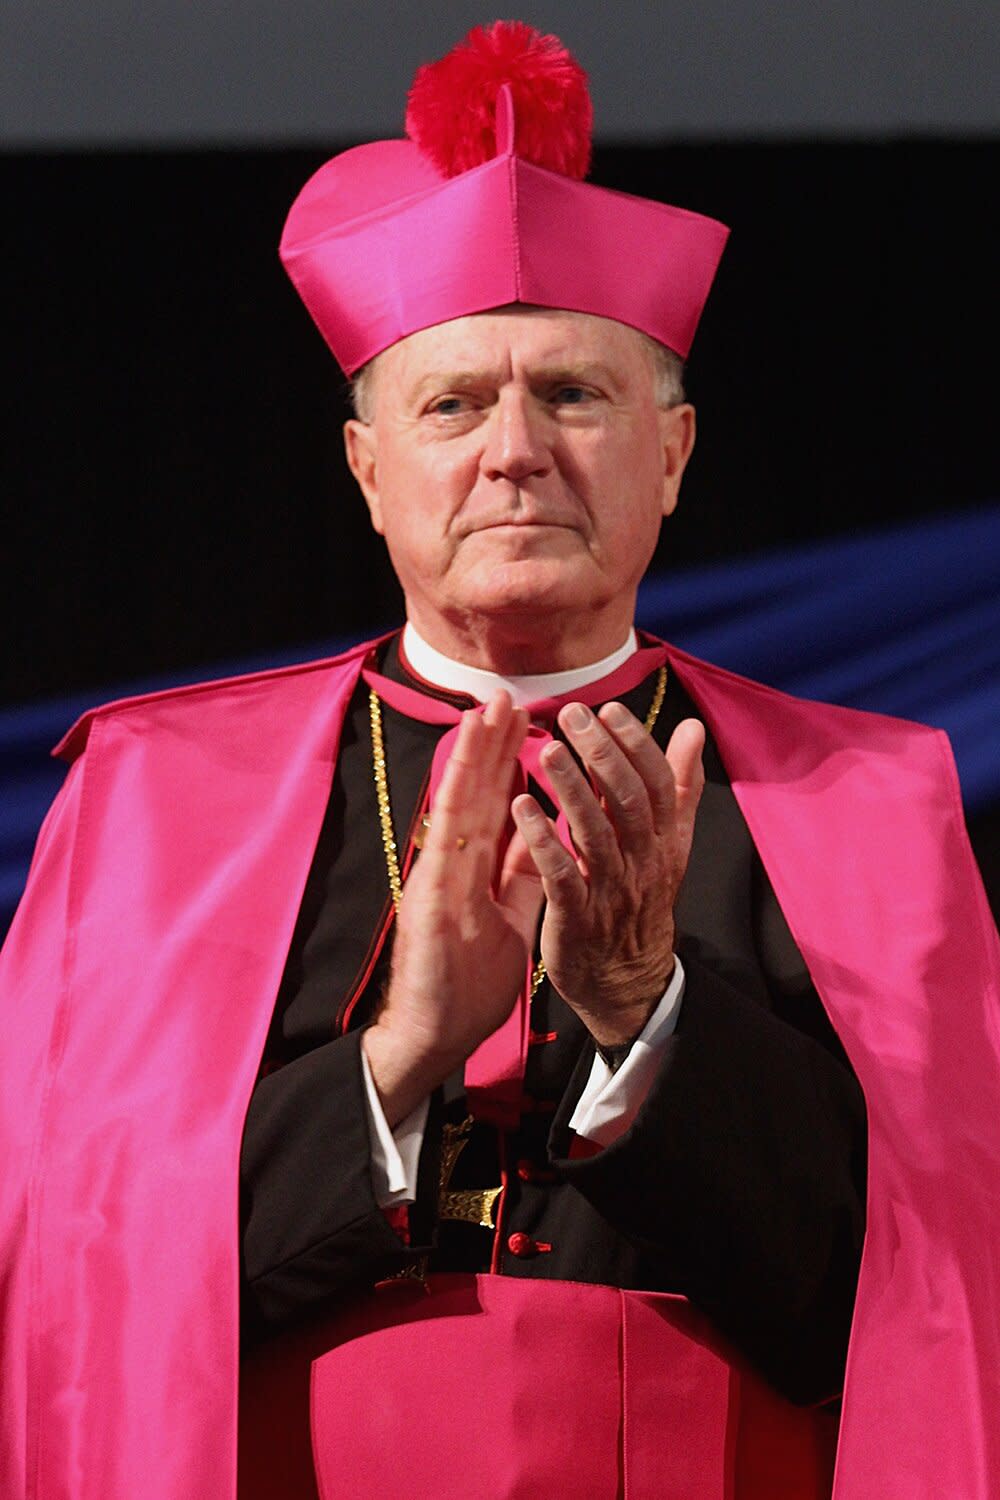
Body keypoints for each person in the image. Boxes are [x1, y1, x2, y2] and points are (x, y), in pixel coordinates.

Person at [2, 22, 998, 1500]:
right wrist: (396, 1063)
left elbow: (920, 1307)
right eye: (455, 403)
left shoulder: (866, 802)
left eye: (575, 396)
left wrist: (645, 1017)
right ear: (368, 471)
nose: (515, 450)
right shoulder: (153, 799)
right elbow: (72, 1299)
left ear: (672, 453)